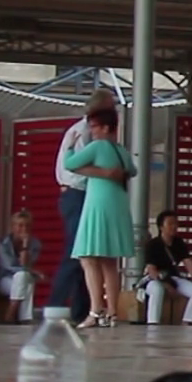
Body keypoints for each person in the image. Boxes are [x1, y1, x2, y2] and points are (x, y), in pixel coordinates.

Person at [47, 88, 117, 322]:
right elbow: (75, 166)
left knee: (87, 254)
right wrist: (105, 174)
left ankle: (82, 310)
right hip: (78, 194)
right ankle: (55, 305)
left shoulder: (87, 133)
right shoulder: (86, 133)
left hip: (80, 194)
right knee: (78, 251)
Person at [64, 106, 137, 327]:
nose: (92, 131)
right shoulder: (120, 150)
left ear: (106, 128)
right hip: (118, 203)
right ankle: (112, 312)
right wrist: (102, 172)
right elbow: (132, 170)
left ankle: (95, 310)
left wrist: (69, 147)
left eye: (94, 126)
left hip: (98, 203)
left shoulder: (98, 146)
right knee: (109, 260)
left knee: (88, 257)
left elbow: (69, 164)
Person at [143, 210, 192, 326]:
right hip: (155, 279)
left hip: (173, 278)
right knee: (157, 290)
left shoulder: (179, 243)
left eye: (176, 223)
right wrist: (166, 285)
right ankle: (153, 322)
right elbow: (151, 270)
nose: (174, 226)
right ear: (161, 227)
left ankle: (187, 321)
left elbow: (188, 263)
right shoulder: (152, 244)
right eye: (170, 224)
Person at [0, 210, 43, 325]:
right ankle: (22, 317)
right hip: (5, 280)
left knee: (24, 277)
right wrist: (33, 272)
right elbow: (9, 266)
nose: (24, 229)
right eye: (20, 225)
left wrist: (25, 245)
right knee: (26, 278)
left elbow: (26, 264)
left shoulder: (35, 244)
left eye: (27, 225)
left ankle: (14, 313)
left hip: (22, 280)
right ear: (13, 227)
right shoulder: (3, 243)